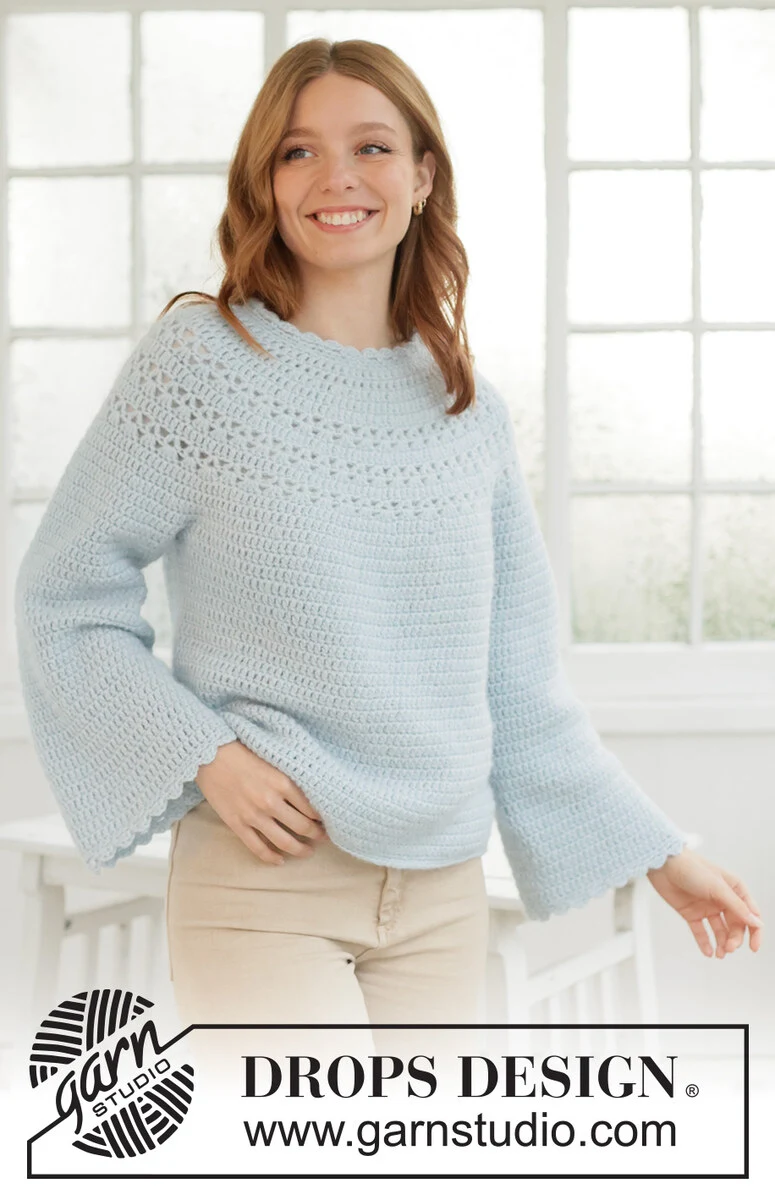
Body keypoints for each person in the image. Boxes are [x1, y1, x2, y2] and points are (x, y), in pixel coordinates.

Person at [15, 39, 763, 1076]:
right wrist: (205, 755)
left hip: (442, 894)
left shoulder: (466, 412)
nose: (337, 177)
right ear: (265, 184)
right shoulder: (199, 367)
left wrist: (661, 855)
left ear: (421, 177)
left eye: (370, 147)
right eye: (298, 152)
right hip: (265, 884)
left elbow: (516, 687)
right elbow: (64, 596)